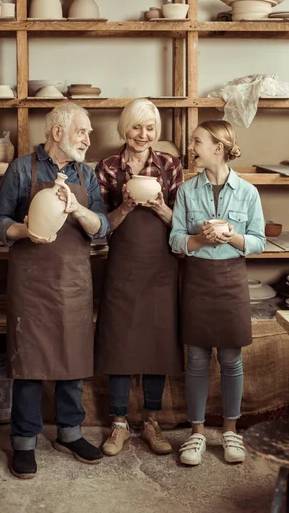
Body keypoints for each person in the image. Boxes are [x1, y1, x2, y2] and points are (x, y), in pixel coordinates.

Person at [0, 103, 110, 479]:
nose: (89, 140)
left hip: (73, 280)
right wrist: (25, 232)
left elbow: (102, 226)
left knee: (72, 358)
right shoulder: (23, 169)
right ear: (59, 132)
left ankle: (70, 433)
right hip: (32, 282)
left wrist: (77, 210)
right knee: (29, 363)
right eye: (82, 132)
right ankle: (24, 441)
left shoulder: (86, 176)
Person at [169, 120, 266, 466]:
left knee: (230, 360)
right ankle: (196, 434)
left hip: (231, 279)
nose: (191, 147)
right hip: (196, 280)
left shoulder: (248, 192)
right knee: (195, 360)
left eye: (197, 141)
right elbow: (175, 239)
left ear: (218, 149)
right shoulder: (185, 191)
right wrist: (198, 240)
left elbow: (258, 241)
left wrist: (232, 239)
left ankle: (230, 431)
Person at [95, 98, 184, 456]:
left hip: (161, 265)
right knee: (120, 341)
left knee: (157, 343)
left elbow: (184, 224)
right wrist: (127, 206)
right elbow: (100, 229)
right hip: (123, 266)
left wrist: (160, 206)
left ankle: (151, 422)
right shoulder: (107, 167)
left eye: (150, 128)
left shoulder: (170, 165)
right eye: (136, 127)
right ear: (124, 129)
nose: (143, 135)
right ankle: (118, 424)